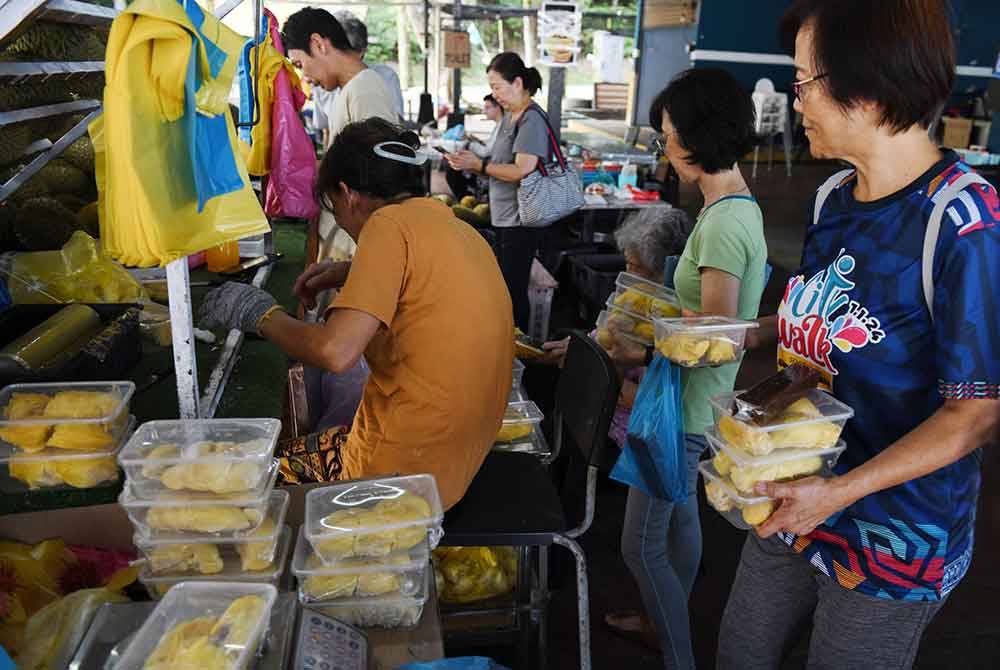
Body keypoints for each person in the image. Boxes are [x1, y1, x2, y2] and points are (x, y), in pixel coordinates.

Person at [716, 2, 1000, 668]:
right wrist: (745, 331)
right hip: (792, 487)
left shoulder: (963, 223)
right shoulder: (833, 199)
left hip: (894, 534)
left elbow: (976, 414)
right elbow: (826, 330)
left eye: (804, 82)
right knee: (740, 652)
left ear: (867, 90)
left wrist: (838, 493)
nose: (796, 103)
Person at [198, 118, 514, 510]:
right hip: (457, 458)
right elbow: (423, 284)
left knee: (242, 481)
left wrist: (257, 312)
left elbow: (336, 352)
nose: (344, 226)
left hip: (403, 476)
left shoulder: (386, 225)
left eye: (334, 209)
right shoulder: (453, 227)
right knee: (297, 447)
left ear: (347, 195)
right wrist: (348, 271)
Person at [604, 68, 767, 669]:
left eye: (668, 134)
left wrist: (639, 353)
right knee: (677, 517)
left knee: (640, 546)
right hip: (689, 399)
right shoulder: (730, 208)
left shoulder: (724, 223)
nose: (664, 147)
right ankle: (660, 618)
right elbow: (712, 321)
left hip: (684, 404)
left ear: (698, 136)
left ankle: (677, 653)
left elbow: (719, 340)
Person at [541, 207, 692, 449]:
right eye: (627, 263)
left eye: (635, 266)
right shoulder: (634, 299)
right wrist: (574, 348)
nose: (626, 273)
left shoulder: (672, 322)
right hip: (597, 410)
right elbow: (600, 337)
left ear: (662, 271)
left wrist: (591, 366)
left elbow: (649, 401)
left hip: (624, 435)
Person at [445, 51, 552, 332]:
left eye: (497, 87)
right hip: (505, 215)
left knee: (514, 290)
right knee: (506, 285)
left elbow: (522, 169)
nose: (494, 94)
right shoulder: (510, 117)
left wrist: (479, 165)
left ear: (517, 83)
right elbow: (497, 158)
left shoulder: (531, 120)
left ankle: (521, 351)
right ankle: (508, 342)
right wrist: (468, 162)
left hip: (521, 219)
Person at [333, 10, 406, 122]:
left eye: (345, 52)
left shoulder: (386, 77)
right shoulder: (323, 84)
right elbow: (326, 131)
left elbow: (397, 122)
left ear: (362, 51)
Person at [446, 94, 503, 202]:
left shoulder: (502, 127)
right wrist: (476, 141)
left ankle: (468, 201)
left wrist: (469, 144)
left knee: (453, 172)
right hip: (488, 165)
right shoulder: (499, 126)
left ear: (498, 107)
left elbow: (486, 152)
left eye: (487, 107)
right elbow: (490, 147)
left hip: (489, 170)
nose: (484, 111)